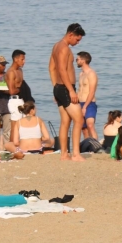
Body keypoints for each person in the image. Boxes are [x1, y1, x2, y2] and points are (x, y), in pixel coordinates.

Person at [49, 23, 86, 161]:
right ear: (70, 34)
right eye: (77, 39)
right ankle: (75, 154)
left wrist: (55, 88)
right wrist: (71, 90)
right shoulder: (64, 48)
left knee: (65, 121)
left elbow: (51, 68)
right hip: (66, 88)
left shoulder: (56, 46)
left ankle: (64, 154)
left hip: (60, 88)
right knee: (78, 119)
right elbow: (61, 70)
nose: (77, 43)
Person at [76, 51, 98, 140]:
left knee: (90, 125)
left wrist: (85, 106)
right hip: (80, 103)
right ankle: (88, 147)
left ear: (83, 60)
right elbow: (80, 90)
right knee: (83, 128)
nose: (76, 61)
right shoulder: (81, 74)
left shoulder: (91, 73)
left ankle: (96, 146)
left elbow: (92, 91)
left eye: (77, 59)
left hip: (89, 103)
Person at [6, 50, 26, 124]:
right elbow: (11, 91)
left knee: (23, 126)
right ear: (15, 59)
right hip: (14, 101)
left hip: (22, 100)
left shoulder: (20, 70)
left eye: (24, 59)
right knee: (15, 126)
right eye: (22, 59)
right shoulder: (11, 72)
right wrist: (21, 89)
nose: (24, 61)